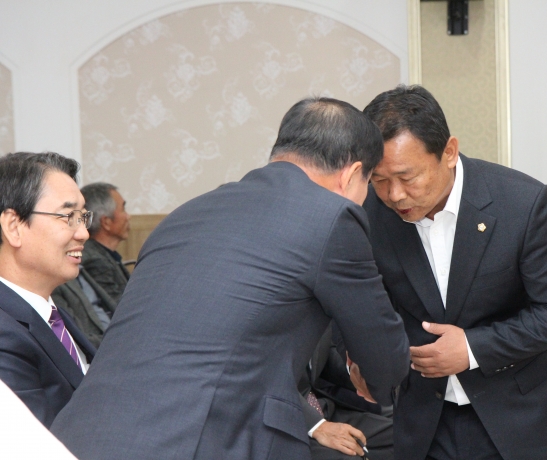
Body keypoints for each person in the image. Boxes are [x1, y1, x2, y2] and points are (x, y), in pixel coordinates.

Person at [50, 97, 410, 460]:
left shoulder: (187, 213)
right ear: (352, 174)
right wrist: (378, 379)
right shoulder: (332, 216)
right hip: (196, 442)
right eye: (369, 183)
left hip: (80, 436)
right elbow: (382, 355)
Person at [355, 85, 547, 460]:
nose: (394, 194)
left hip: (519, 418)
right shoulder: (367, 213)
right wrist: (357, 358)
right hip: (424, 421)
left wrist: (472, 348)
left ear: (448, 152)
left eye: (407, 177)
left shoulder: (521, 203)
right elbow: (354, 299)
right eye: (379, 180)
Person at [0, 151, 97, 427]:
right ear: (14, 227)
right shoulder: (4, 335)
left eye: (83, 216)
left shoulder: (52, 314)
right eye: (68, 216)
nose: (83, 233)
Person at [302, 325, 393, 460]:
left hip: (321, 407)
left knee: (402, 435)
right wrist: (317, 425)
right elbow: (270, 383)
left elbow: (320, 358)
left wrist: (361, 376)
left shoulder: (316, 314)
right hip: (284, 419)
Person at [79, 182, 131, 303]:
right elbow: (119, 307)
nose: (128, 217)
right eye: (123, 209)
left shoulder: (102, 254)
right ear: (106, 222)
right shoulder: (95, 262)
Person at [52, 265, 118, 349]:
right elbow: (75, 334)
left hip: (115, 329)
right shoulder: (55, 284)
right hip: (102, 344)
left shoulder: (81, 270)